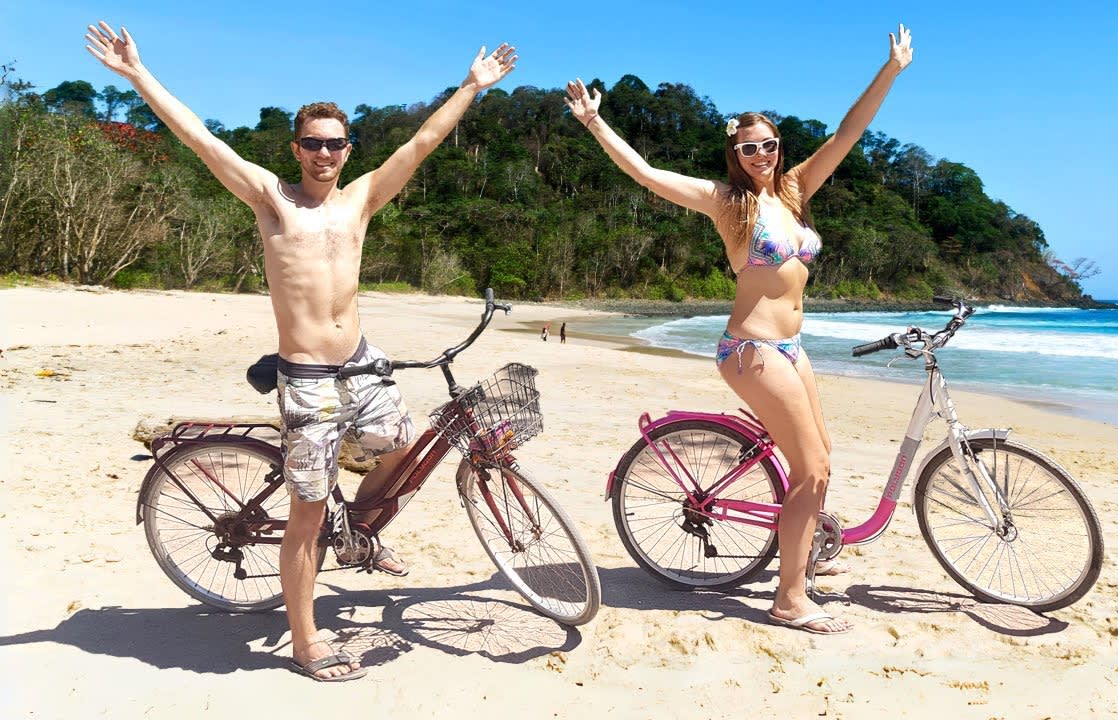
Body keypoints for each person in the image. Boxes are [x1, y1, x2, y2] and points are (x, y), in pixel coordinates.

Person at [86, 20, 517, 679]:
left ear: (348, 149)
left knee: (402, 447)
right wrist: (139, 76)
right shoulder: (272, 200)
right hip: (309, 376)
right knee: (307, 514)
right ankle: (307, 640)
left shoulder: (362, 200)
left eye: (334, 143)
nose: (324, 153)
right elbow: (202, 140)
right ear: (297, 149)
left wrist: (471, 87)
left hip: (362, 362)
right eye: (313, 143)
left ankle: (361, 533)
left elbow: (423, 142)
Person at [564, 25, 913, 635]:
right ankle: (789, 597)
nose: (762, 155)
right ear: (735, 153)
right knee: (811, 470)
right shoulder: (730, 203)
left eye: (770, 144)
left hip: (792, 345)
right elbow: (646, 173)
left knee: (821, 459)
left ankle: (804, 551)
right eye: (750, 148)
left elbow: (849, 133)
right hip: (750, 347)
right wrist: (596, 123)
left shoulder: (797, 189)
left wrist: (891, 71)